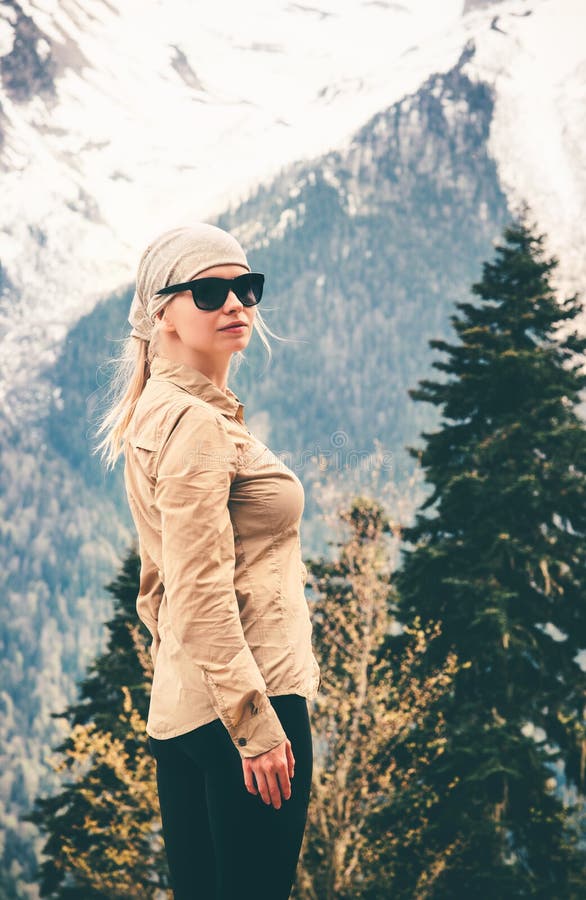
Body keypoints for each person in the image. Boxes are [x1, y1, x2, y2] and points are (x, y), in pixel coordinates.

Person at [95, 223, 321, 899]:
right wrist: (255, 725)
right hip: (250, 710)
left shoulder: (159, 413)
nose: (236, 303)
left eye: (246, 287)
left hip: (185, 714)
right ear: (161, 312)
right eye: (210, 290)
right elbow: (196, 591)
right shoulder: (195, 424)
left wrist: (184, 670)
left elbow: (157, 590)